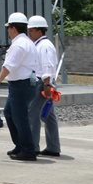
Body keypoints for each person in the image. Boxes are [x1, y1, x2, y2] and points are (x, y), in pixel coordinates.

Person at [0, 12, 38, 161]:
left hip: (20, 85)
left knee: (19, 118)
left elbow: (8, 67)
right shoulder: (27, 42)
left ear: (13, 28)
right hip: (24, 84)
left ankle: (28, 150)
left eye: (8, 28)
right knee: (10, 113)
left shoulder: (18, 45)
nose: (8, 31)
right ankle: (20, 145)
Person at [27, 15, 61, 157]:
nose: (29, 33)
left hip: (42, 83)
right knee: (49, 116)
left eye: (31, 30)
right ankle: (53, 147)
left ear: (38, 30)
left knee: (33, 115)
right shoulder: (42, 44)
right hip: (45, 83)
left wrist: (47, 85)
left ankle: (33, 147)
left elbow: (47, 66)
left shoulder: (44, 46)